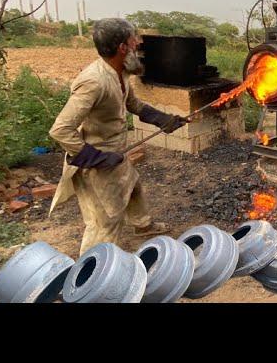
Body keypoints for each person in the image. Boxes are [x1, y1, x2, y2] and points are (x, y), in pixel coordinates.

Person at [49, 18, 189, 255]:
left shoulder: (120, 72)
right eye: (134, 38)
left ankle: (142, 225)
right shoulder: (94, 82)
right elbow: (60, 129)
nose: (138, 42)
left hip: (116, 153)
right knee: (105, 222)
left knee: (133, 185)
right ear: (122, 47)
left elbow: (132, 103)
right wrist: (96, 158)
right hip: (95, 164)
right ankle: (93, 275)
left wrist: (163, 119)